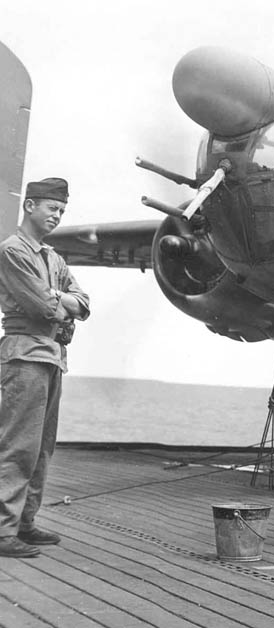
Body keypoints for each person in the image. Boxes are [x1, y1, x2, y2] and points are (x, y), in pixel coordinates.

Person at [0, 178, 89, 558]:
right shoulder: (12, 251)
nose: (58, 215)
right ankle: (3, 531)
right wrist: (58, 301)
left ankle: (25, 522)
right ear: (30, 205)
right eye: (52, 208)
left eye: (62, 211)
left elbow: (84, 304)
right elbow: (44, 308)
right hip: (24, 355)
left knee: (41, 448)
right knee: (18, 445)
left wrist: (60, 298)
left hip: (51, 356)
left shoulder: (53, 258)